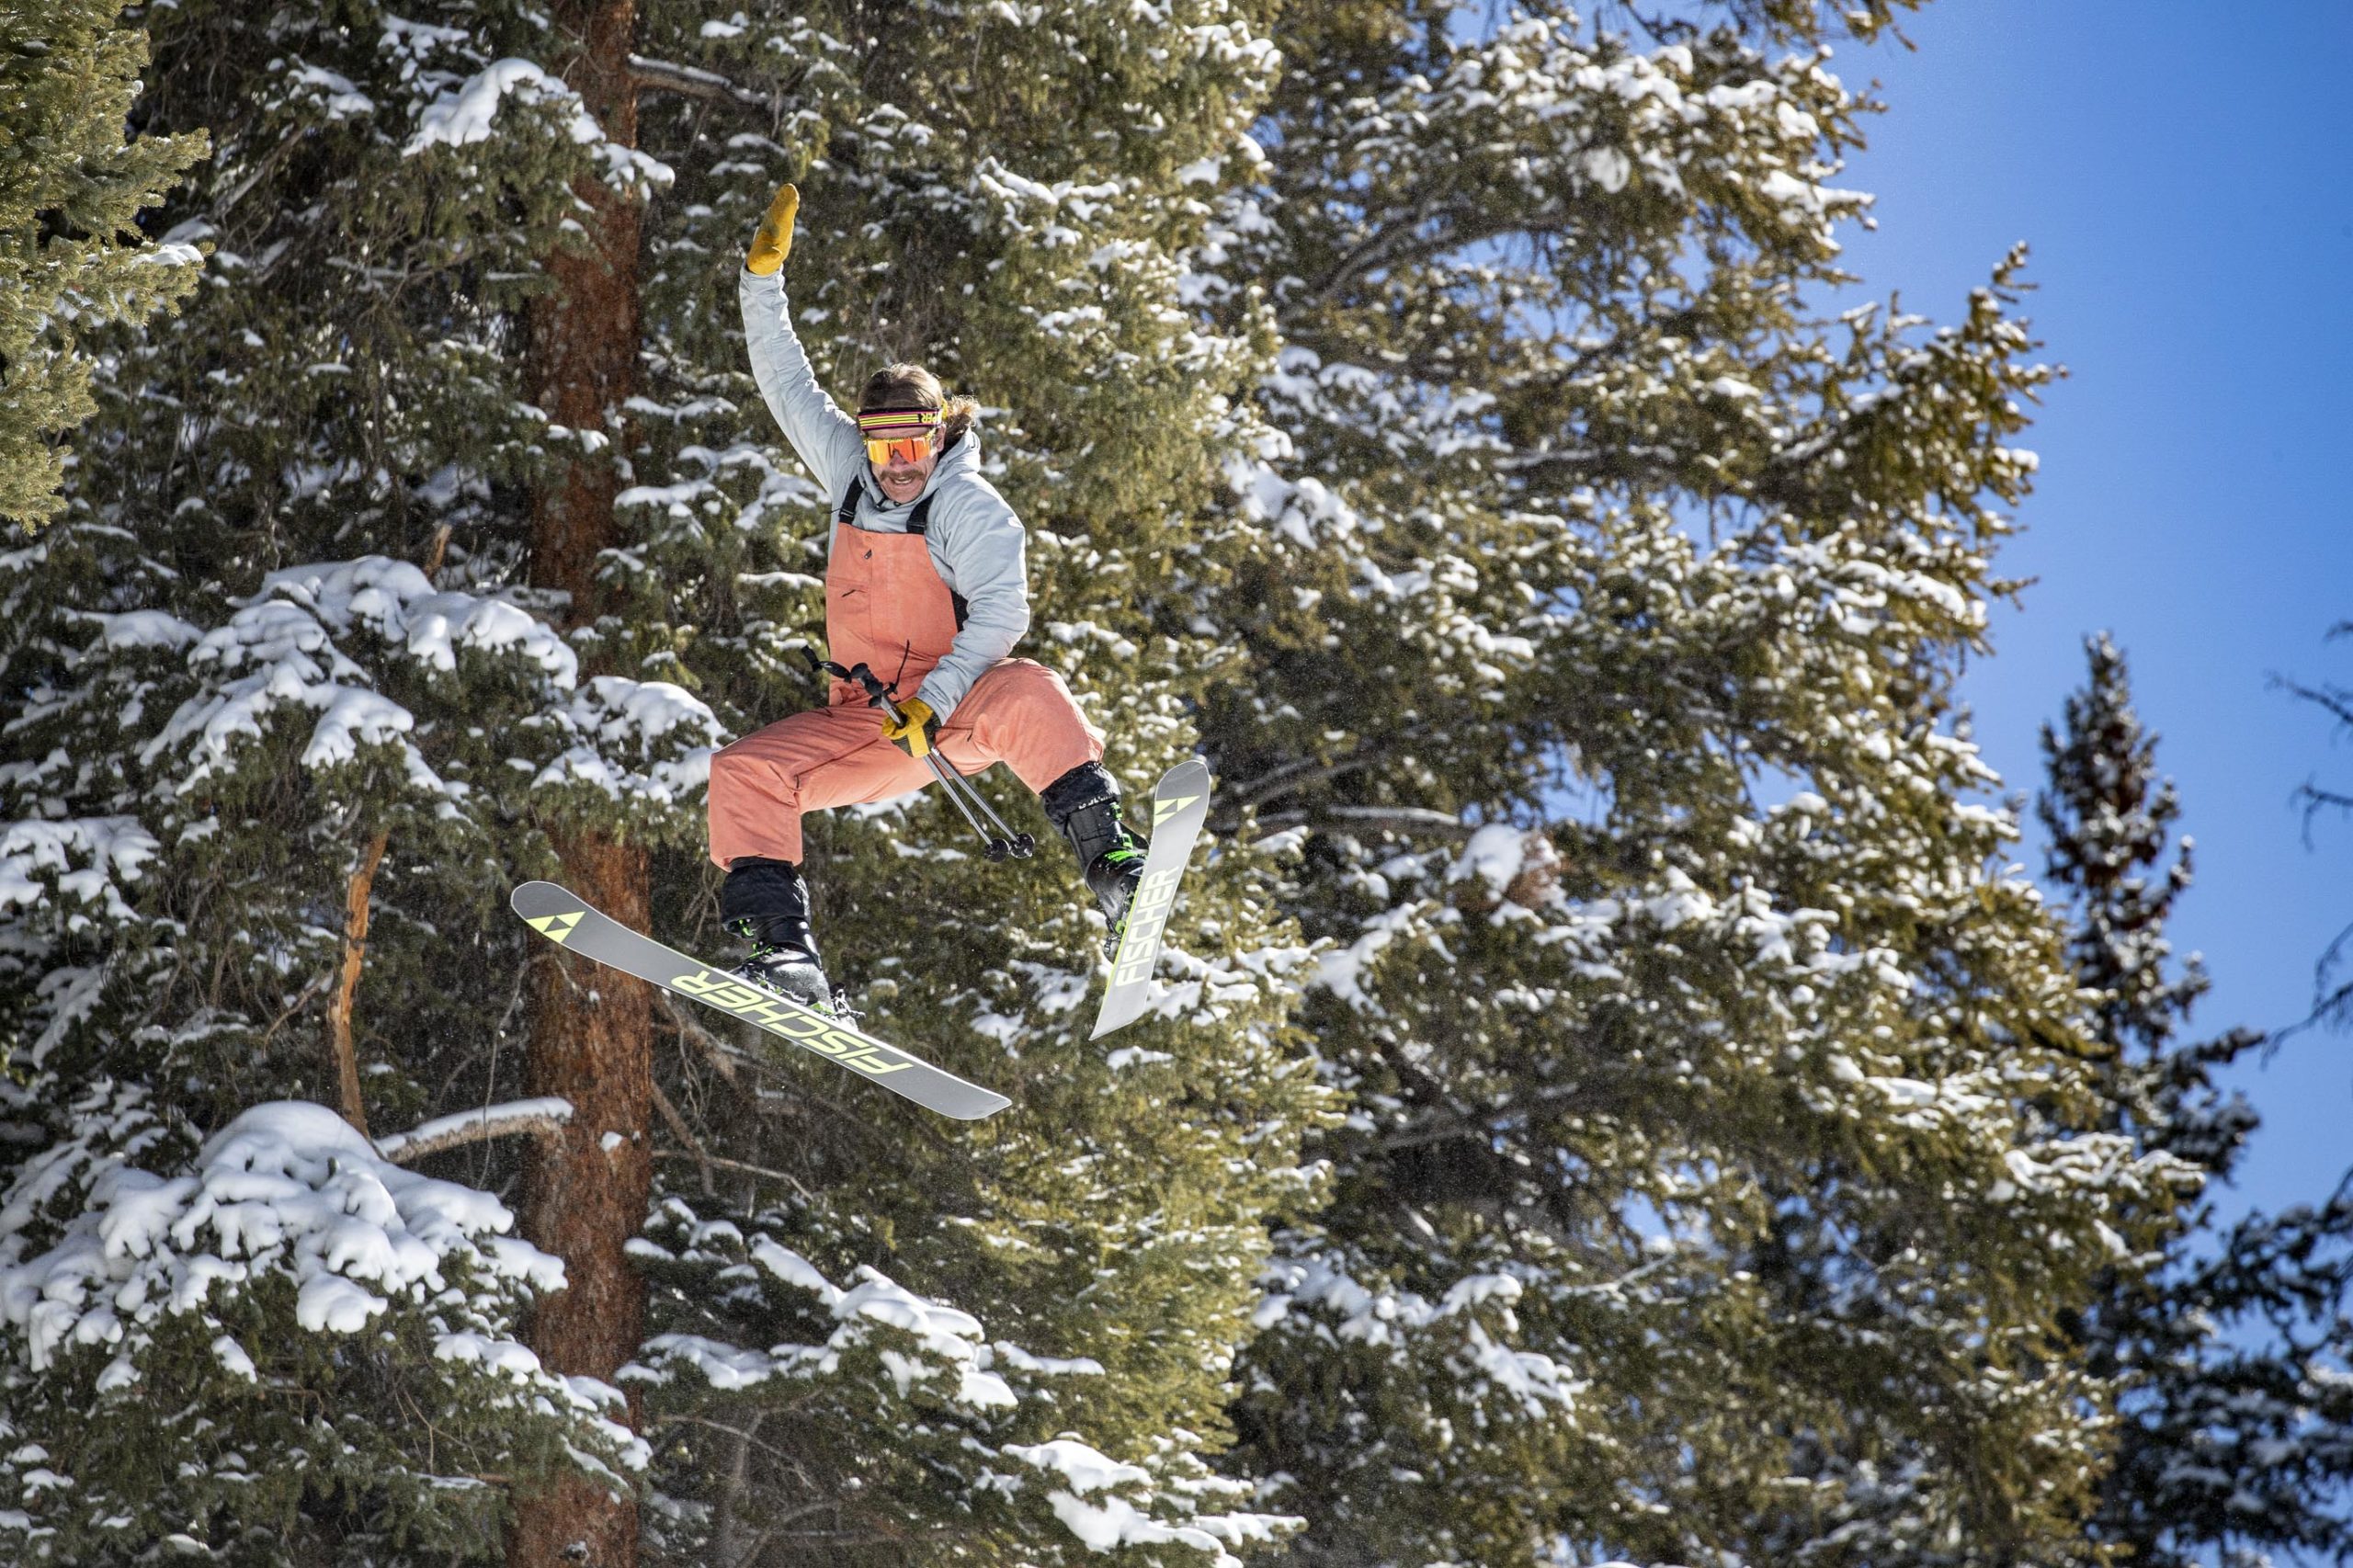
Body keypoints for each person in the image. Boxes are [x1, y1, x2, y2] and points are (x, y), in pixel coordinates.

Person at [709, 182, 1146, 1014]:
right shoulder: (851, 476)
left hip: (955, 715)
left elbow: (1003, 614)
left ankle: (1113, 864)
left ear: (941, 433)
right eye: (880, 443)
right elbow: (785, 382)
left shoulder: (965, 505)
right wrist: (761, 279)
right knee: (744, 771)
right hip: (865, 723)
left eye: (912, 441)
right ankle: (786, 959)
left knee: (1027, 687)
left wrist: (938, 701)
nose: (896, 460)